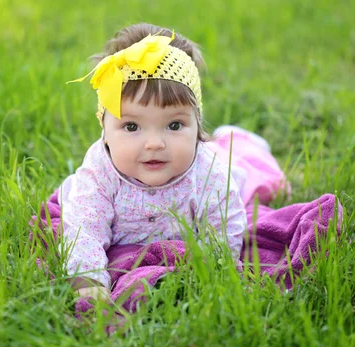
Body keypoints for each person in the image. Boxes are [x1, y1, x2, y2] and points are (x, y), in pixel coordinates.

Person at [34, 23, 288, 303]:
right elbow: (86, 227)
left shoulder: (207, 171)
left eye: (174, 125)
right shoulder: (99, 172)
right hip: (106, 222)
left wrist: (214, 270)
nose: (154, 143)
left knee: (251, 181)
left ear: (197, 126)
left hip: (207, 194)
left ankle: (238, 142)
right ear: (104, 130)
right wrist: (89, 280)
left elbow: (223, 224)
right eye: (132, 127)